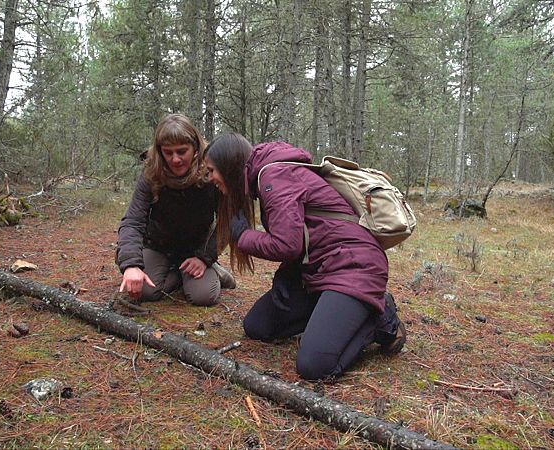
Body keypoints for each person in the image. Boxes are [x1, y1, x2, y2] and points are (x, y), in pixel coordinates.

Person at [204, 133, 406, 380]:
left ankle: (380, 319)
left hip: (354, 268)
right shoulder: (268, 176)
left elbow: (286, 244)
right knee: (258, 326)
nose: (210, 177)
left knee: (314, 366)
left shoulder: (273, 177)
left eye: (212, 170)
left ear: (229, 165)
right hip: (320, 272)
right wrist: (285, 277)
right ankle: (332, 316)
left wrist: (244, 237)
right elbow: (304, 237)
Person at [116, 114, 236, 306]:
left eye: (182, 151)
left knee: (203, 296)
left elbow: (229, 220)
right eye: (168, 152)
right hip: (158, 245)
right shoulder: (151, 173)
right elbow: (132, 221)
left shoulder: (210, 172)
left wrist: (204, 257)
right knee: (144, 292)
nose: (175, 159)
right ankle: (176, 274)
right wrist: (131, 264)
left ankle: (209, 271)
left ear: (195, 148)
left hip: (196, 249)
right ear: (159, 151)